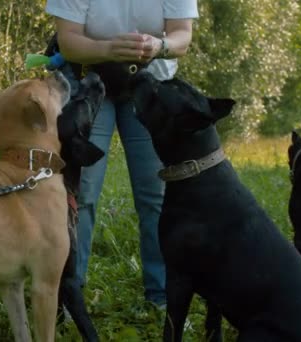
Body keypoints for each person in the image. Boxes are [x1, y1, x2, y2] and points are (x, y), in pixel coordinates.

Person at [45, 0, 199, 307]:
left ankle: (162, 298)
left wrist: (160, 45)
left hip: (150, 83)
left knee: (156, 192)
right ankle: (69, 293)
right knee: (82, 191)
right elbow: (69, 41)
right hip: (89, 78)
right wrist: (107, 50)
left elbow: (182, 35)